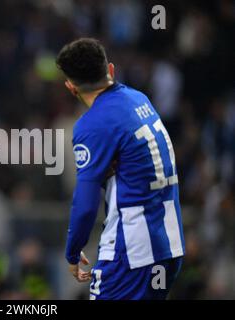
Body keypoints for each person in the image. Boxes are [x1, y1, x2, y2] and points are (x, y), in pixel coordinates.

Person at [56, 38, 185, 300]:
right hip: (168, 244)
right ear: (111, 71)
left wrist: (73, 250)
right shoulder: (139, 99)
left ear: (71, 87)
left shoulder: (92, 125)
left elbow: (85, 204)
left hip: (132, 252)